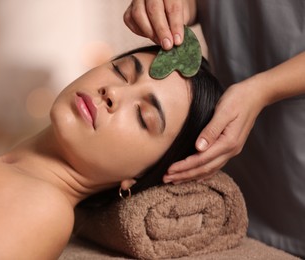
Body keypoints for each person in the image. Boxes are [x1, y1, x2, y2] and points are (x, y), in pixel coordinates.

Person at [0, 45, 223, 259]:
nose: (113, 93)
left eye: (143, 116)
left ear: (138, 177)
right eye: (121, 71)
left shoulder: (43, 208)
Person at [124, 0, 305, 257]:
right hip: (242, 182)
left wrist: (264, 89)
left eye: (145, 117)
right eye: (121, 73)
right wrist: (177, 9)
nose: (109, 95)